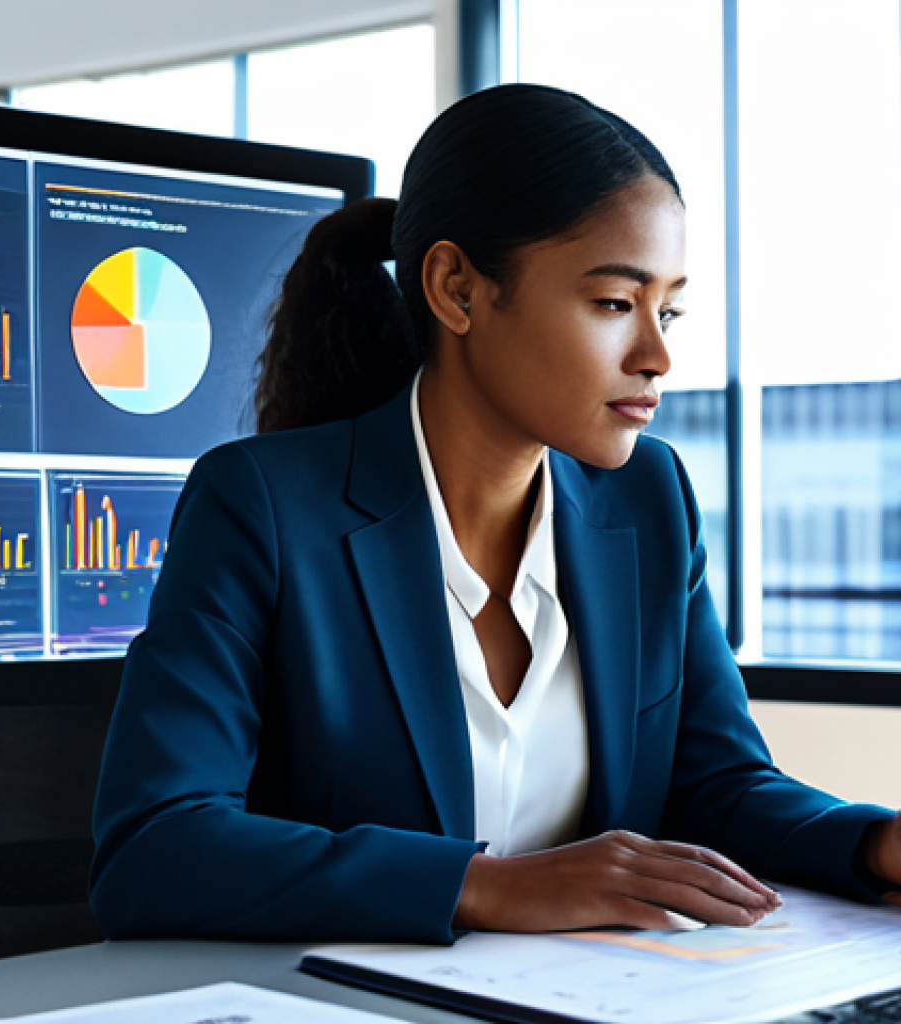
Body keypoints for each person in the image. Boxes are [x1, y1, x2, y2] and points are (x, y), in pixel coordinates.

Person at [90, 84, 901, 943]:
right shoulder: (260, 504)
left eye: (668, 310)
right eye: (615, 305)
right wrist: (483, 887)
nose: (658, 356)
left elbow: (715, 786)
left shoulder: (649, 497)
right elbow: (155, 845)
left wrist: (877, 843)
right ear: (457, 289)